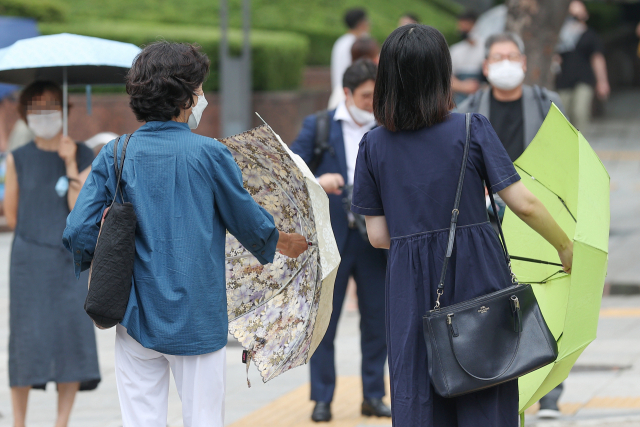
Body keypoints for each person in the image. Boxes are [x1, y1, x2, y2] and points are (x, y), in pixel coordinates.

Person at [63, 42, 308, 427]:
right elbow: (247, 221)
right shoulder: (210, 155)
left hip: (135, 313)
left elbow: (77, 230)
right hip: (198, 316)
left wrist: (101, 255)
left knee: (141, 420)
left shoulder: (115, 153)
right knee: (204, 419)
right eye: (200, 89)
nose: (203, 97)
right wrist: (284, 242)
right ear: (185, 97)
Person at [351, 24, 573, 427]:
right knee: (486, 375)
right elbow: (523, 204)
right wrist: (564, 245)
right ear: (441, 76)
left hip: (410, 288)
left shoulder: (373, 145)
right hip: (476, 277)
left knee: (417, 385)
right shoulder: (472, 129)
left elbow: (378, 236)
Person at [290, 59, 390, 422]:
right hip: (331, 240)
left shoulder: (389, 127)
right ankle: (322, 398)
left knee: (378, 320)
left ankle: (374, 395)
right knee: (325, 323)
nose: (372, 102)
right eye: (366, 96)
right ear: (347, 93)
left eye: (377, 96)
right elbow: (291, 170)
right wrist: (320, 181)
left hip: (374, 238)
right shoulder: (318, 126)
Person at [3, 80, 100, 427]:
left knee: (69, 335)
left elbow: (81, 211)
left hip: (68, 260)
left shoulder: (84, 154)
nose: (43, 114)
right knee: (26, 338)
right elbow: (11, 215)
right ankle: (19, 421)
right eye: (36, 107)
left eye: (50, 106)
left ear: (64, 110)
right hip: (28, 260)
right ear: (25, 113)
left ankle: (62, 421)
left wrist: (70, 164)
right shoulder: (17, 158)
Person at [458, 33, 565, 162]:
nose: (506, 63)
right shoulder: (468, 111)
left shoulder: (547, 104)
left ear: (523, 62)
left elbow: (564, 153)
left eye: (513, 57)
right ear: (485, 67)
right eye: (497, 58)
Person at [555, 0, 610, 133]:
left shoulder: (590, 35)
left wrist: (602, 82)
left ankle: (580, 147)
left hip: (584, 79)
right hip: (563, 82)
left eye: (578, 15)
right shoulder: (561, 37)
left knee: (580, 112)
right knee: (562, 116)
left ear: (585, 15)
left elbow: (597, 59)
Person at [328, 8, 370, 109]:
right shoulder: (358, 44)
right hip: (351, 96)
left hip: (339, 93)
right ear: (361, 23)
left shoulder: (341, 42)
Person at [450, 10, 485, 106]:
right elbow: (447, 78)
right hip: (460, 101)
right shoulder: (455, 50)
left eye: (465, 27)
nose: (461, 30)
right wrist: (463, 86)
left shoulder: (486, 48)